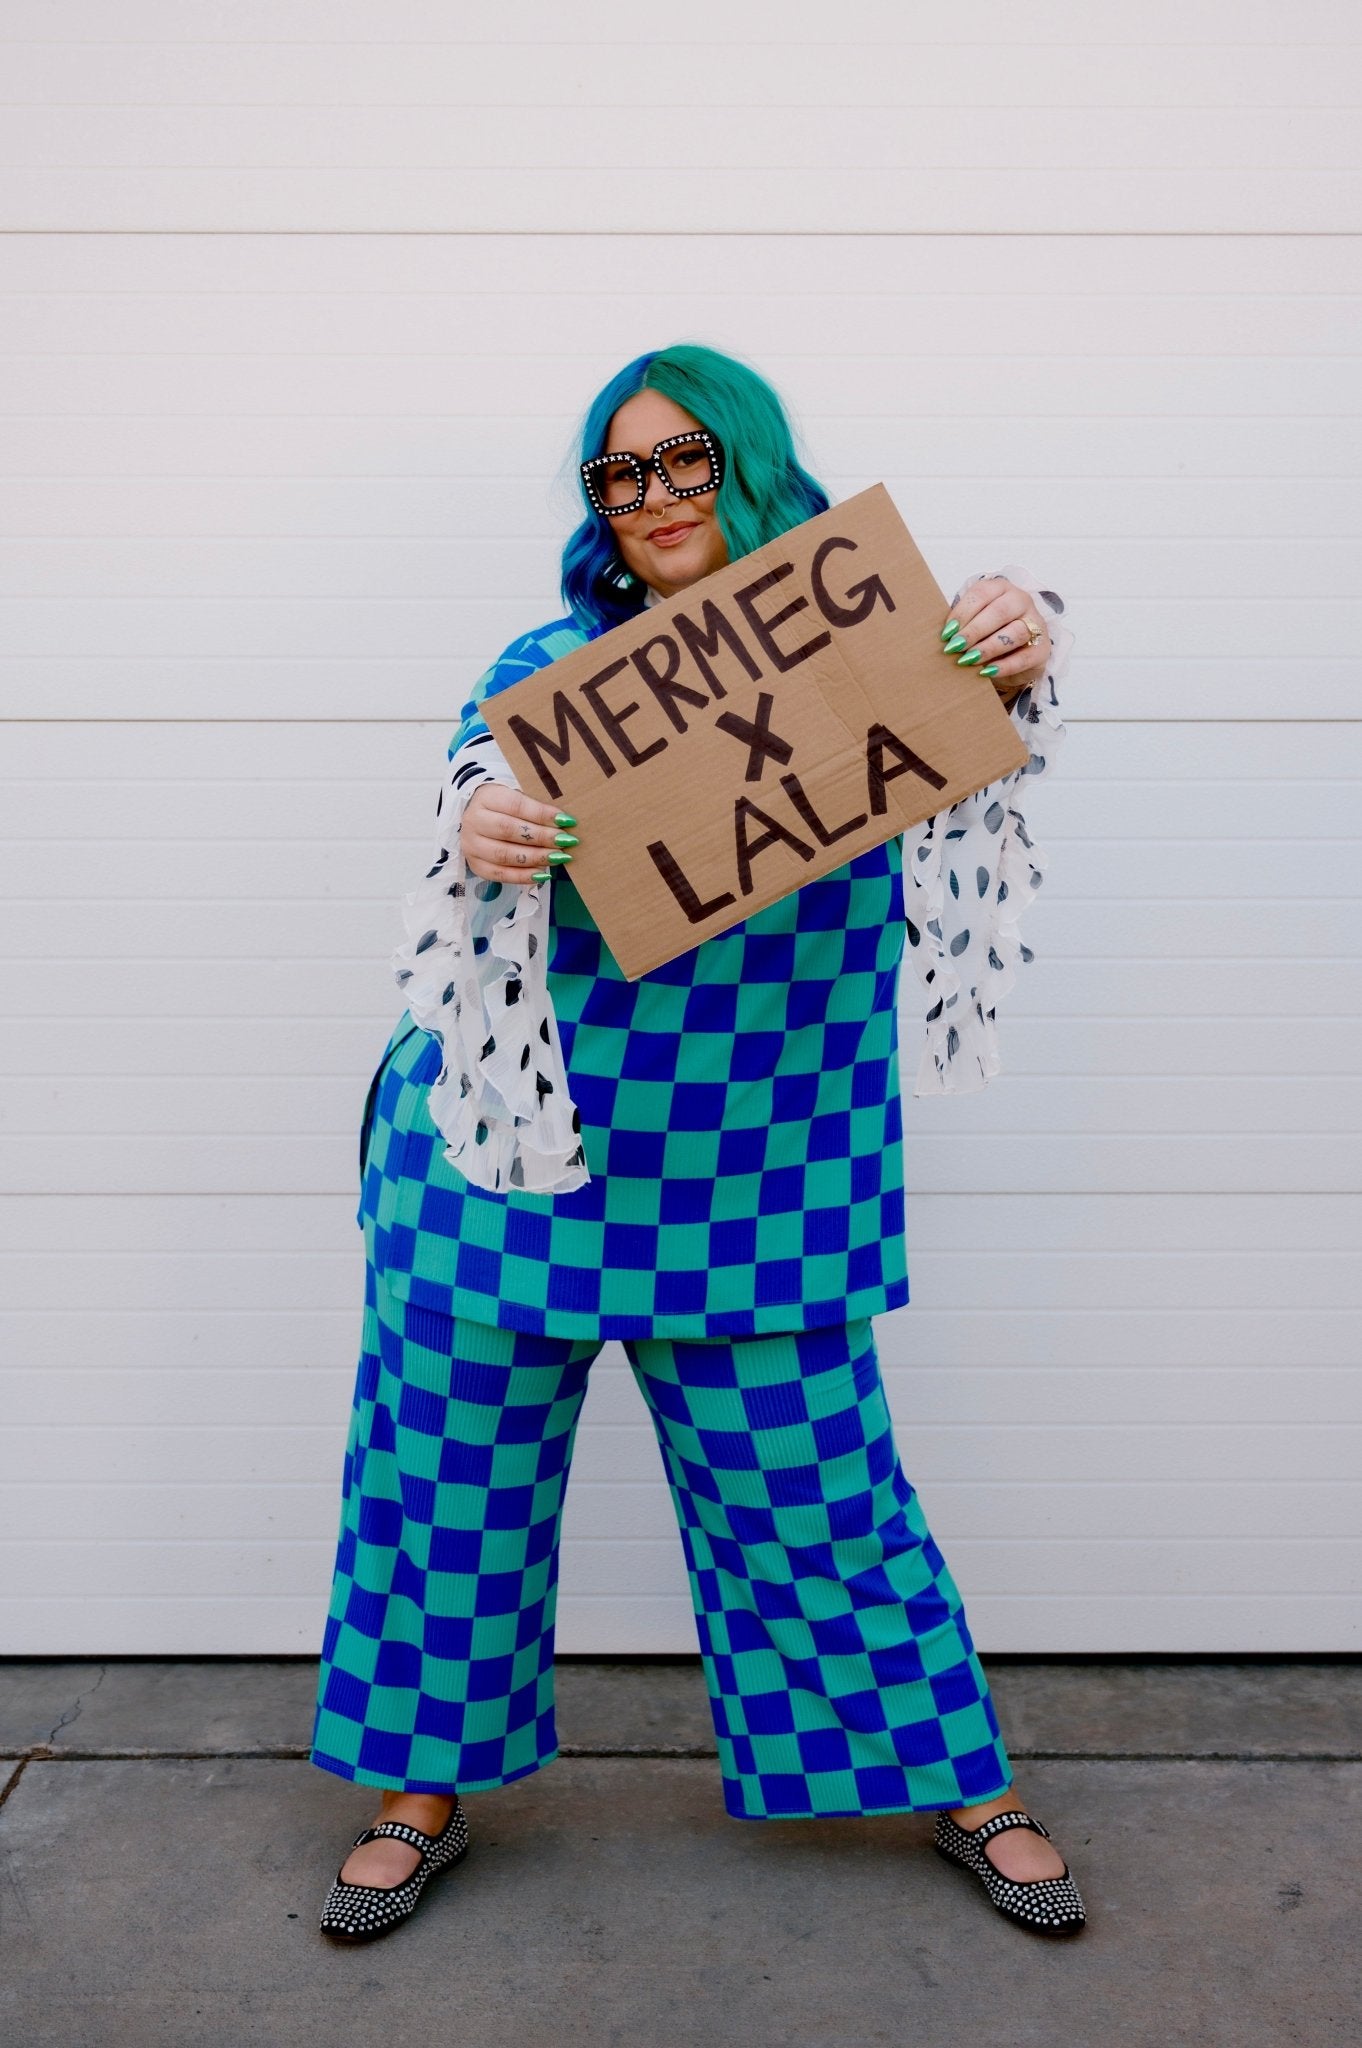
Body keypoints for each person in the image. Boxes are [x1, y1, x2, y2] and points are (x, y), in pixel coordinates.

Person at [310, 344, 1085, 1943]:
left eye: (682, 461)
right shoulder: (548, 659)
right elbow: (472, 772)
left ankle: (958, 1780)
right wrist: (483, 819)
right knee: (443, 1486)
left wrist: (1021, 635)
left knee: (821, 1500)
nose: (652, 495)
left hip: (759, 1170)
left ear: (747, 464)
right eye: (619, 471)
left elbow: (999, 693)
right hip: (517, 1163)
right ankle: (420, 1788)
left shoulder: (881, 641)